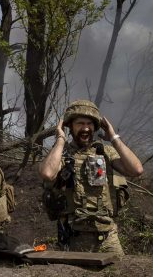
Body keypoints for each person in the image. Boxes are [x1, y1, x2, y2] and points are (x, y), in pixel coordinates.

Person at [38, 100, 143, 256]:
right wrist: (60, 140)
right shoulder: (62, 153)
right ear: (70, 126)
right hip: (74, 237)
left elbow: (136, 170)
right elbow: (47, 173)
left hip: (108, 237)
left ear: (95, 126)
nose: (85, 128)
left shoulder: (104, 151)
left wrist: (113, 137)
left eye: (89, 124)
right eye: (80, 123)